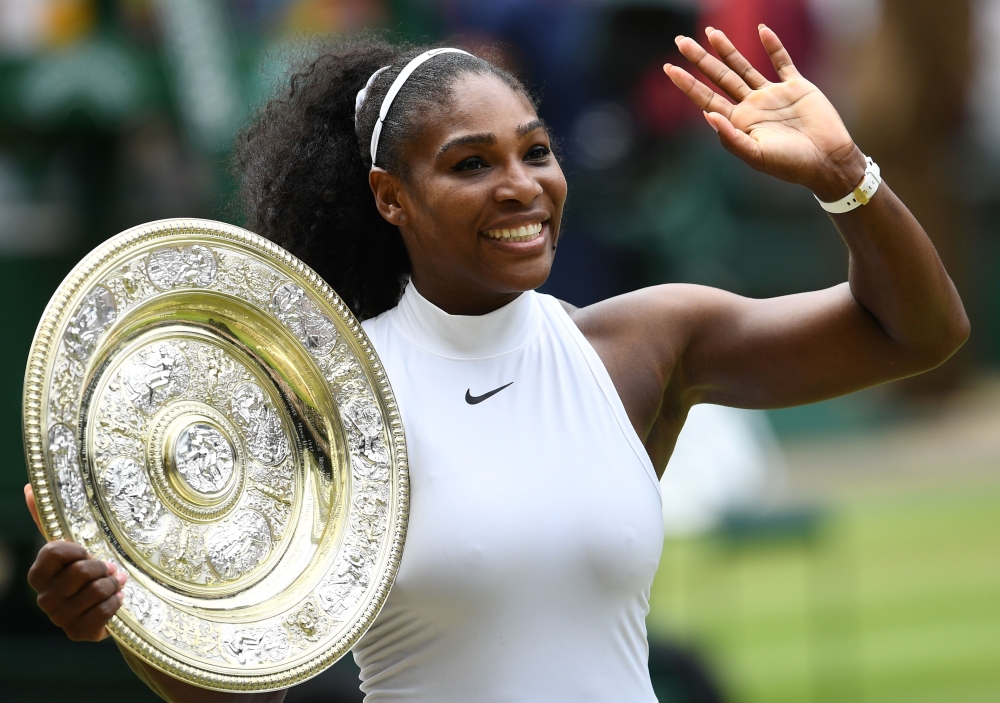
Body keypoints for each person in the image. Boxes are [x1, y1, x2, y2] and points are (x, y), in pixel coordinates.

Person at [24, 26, 968, 703]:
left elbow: (918, 333)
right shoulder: (329, 404)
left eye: (537, 151)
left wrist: (846, 174)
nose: (522, 184)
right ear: (391, 198)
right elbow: (236, 693)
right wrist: (124, 624)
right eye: (471, 164)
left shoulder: (643, 345)